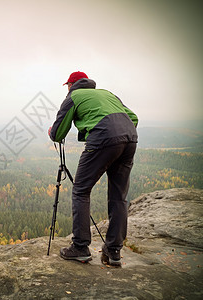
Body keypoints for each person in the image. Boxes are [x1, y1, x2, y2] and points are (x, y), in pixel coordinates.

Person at [48, 71, 138, 266]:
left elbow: (57, 133)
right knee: (119, 196)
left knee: (81, 190)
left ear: (71, 85)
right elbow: (133, 117)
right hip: (130, 138)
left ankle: (80, 247)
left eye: (68, 86)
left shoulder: (73, 96)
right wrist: (122, 135)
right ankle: (113, 251)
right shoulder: (107, 94)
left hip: (103, 138)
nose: (68, 89)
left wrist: (52, 132)